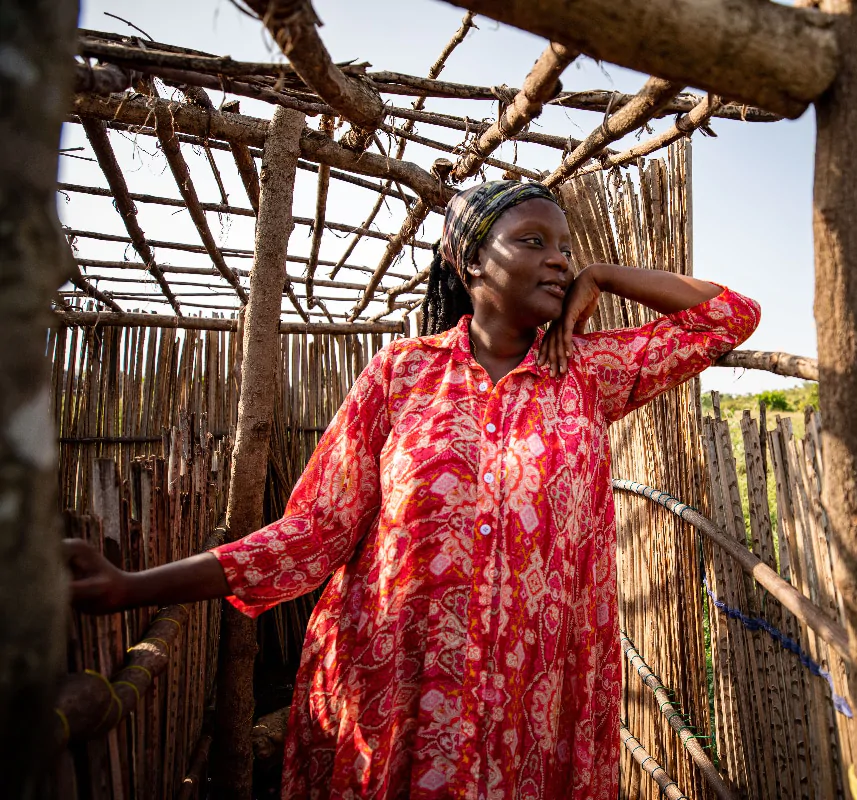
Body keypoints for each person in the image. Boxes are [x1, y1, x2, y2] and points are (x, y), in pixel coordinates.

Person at [65, 180, 760, 799]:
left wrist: (604, 275)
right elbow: (313, 530)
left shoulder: (587, 373)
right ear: (471, 262)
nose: (559, 258)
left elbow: (730, 313)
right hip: (395, 695)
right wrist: (134, 587)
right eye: (533, 240)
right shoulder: (401, 375)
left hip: (527, 713)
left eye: (565, 247)